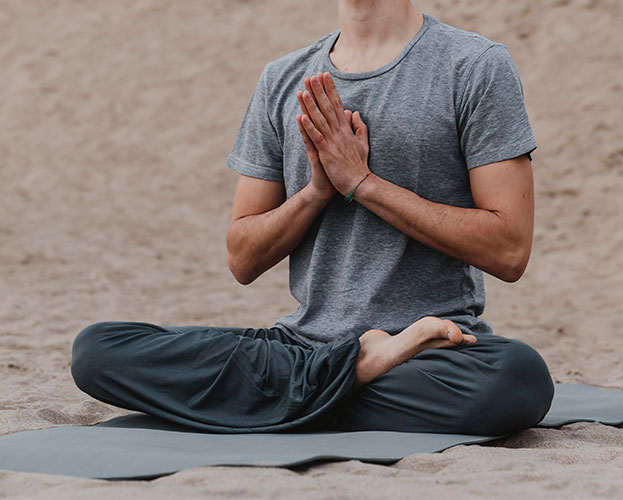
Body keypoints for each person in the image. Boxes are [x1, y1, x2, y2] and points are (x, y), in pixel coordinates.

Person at [71, 0, 554, 436]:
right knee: (98, 350)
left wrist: (362, 185)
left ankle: (295, 391)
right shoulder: (282, 78)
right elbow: (242, 257)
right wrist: (317, 192)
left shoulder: (474, 66)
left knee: (516, 379)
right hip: (301, 346)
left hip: (433, 354)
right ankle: (354, 369)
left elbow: (509, 248)